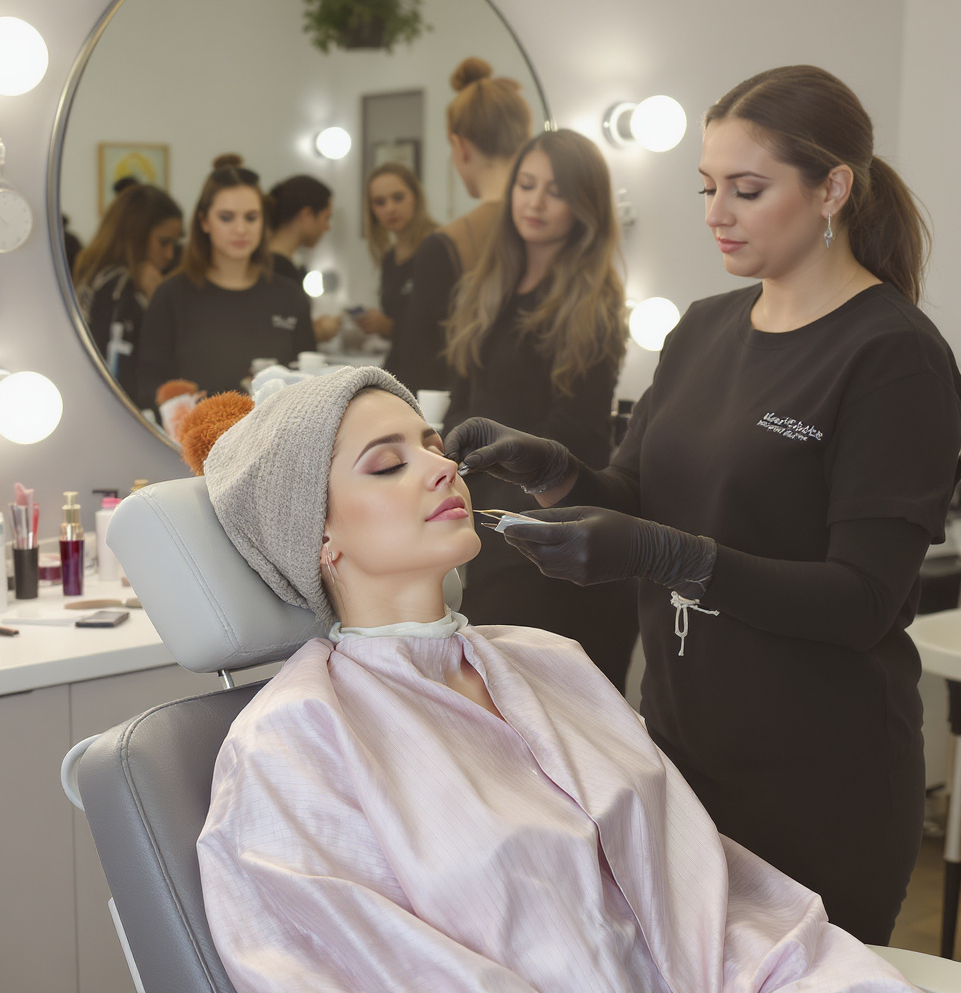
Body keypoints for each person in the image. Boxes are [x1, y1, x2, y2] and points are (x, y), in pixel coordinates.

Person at [184, 366, 917, 992]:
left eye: (431, 445)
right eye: (388, 464)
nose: (441, 467)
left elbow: (712, 905)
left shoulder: (548, 662)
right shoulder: (291, 744)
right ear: (317, 539)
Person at [445, 64, 961, 945]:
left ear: (833, 186)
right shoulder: (702, 328)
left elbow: (863, 600)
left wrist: (664, 555)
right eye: (709, 187)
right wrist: (553, 470)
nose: (717, 212)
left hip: (822, 777)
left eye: (748, 190)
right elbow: (635, 499)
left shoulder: (892, 357)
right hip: (683, 757)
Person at [440, 128, 636, 693]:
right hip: (488, 524)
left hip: (546, 538)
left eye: (555, 191)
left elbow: (573, 439)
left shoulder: (593, 307)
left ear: (585, 207)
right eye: (526, 185)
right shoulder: (485, 287)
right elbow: (465, 404)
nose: (534, 202)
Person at [393, 57, 532, 395]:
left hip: (470, 425)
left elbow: (417, 367)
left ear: (460, 146)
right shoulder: (555, 227)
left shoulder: (445, 246)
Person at [135, 155, 315, 412]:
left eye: (251, 217)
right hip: (187, 447)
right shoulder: (171, 296)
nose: (241, 229)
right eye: (227, 218)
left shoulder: (290, 296)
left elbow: (309, 388)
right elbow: (149, 390)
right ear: (204, 222)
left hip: (274, 445)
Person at [73, 183, 183, 402]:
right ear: (137, 235)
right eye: (163, 243)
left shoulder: (95, 275)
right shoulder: (119, 287)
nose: (170, 255)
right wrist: (157, 297)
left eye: (174, 244)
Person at [357, 161, 438, 379]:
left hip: (435, 374)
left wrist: (390, 326)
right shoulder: (389, 259)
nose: (390, 208)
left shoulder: (437, 248)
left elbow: (442, 326)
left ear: (415, 197)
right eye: (380, 202)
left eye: (398, 197)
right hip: (399, 370)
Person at [266, 174, 341, 344]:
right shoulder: (280, 273)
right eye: (326, 218)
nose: (327, 227)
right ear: (307, 215)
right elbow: (280, 338)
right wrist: (319, 333)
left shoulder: (281, 267)